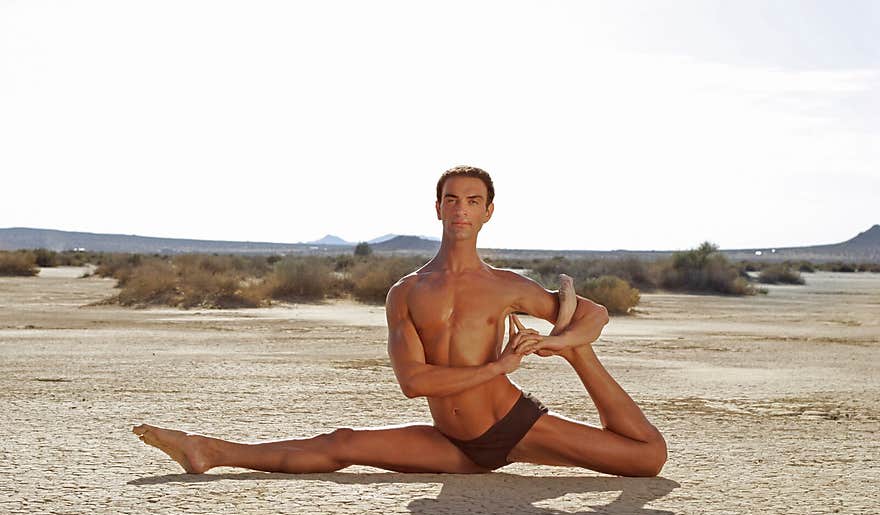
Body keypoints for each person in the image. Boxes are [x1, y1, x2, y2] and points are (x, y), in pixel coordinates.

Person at [133, 166, 666, 477]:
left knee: (648, 458)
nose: (462, 209)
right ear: (437, 208)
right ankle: (209, 451)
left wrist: (560, 343)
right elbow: (415, 384)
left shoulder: (508, 286)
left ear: (488, 213)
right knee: (341, 443)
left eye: (473, 201)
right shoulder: (406, 292)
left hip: (512, 426)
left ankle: (577, 357)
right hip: (451, 440)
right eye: (452, 199)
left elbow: (594, 313)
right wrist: (501, 363)